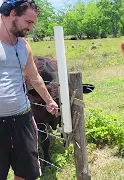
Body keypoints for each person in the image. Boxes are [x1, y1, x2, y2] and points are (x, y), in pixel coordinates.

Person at [0, 0, 59, 179]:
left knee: (27, 174)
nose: (30, 28)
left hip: (22, 120)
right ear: (12, 14)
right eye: (28, 22)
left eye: (33, 23)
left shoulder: (24, 46)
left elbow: (35, 78)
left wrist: (49, 100)